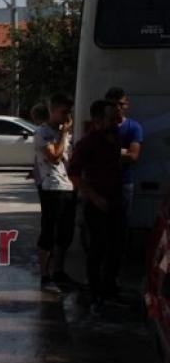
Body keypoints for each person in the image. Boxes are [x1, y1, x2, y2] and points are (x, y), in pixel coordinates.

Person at [68, 100, 123, 312]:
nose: (116, 122)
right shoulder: (88, 142)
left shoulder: (114, 138)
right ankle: (95, 291)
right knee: (98, 248)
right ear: (98, 120)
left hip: (116, 201)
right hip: (97, 204)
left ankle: (109, 287)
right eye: (111, 118)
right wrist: (93, 197)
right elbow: (73, 174)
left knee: (116, 247)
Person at [34, 93, 76, 292]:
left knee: (65, 234)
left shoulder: (65, 133)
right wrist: (64, 134)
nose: (67, 116)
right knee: (48, 232)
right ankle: (45, 274)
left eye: (69, 112)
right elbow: (54, 156)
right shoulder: (43, 132)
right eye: (63, 112)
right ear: (53, 111)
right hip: (51, 187)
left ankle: (59, 271)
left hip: (68, 186)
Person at [104, 87, 143, 245]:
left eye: (121, 104)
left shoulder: (134, 127)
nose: (117, 108)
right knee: (102, 226)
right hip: (101, 184)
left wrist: (109, 153)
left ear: (126, 104)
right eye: (113, 105)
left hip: (124, 183)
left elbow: (133, 156)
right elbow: (94, 155)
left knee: (121, 225)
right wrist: (121, 152)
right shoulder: (100, 126)